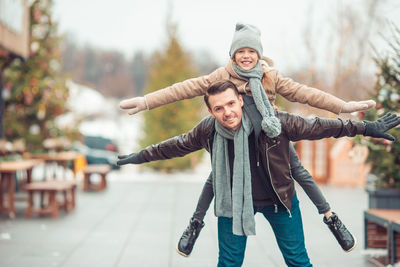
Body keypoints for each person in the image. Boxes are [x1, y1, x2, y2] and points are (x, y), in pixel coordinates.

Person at [119, 22, 377, 256]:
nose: (245, 56)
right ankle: (196, 222)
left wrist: (342, 106)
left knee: (296, 170)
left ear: (258, 54)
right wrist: (146, 102)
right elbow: (184, 88)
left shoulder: (269, 76)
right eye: (240, 52)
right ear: (232, 55)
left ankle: (330, 215)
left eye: (251, 51)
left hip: (272, 136)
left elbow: (305, 94)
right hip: (230, 144)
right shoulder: (220, 77)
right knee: (218, 173)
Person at [117, 81, 400, 266]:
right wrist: (138, 156)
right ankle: (196, 222)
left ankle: (328, 217)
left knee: (298, 261)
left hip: (280, 201)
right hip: (235, 204)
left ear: (240, 100)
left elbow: (319, 126)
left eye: (230, 104)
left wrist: (365, 128)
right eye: (218, 108)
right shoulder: (208, 130)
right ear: (211, 111)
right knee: (228, 263)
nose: (227, 112)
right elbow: (175, 146)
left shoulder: (273, 122)